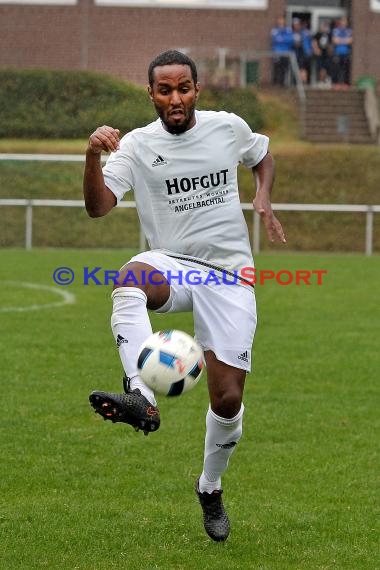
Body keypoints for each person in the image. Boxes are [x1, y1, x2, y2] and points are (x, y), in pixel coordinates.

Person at [83, 50, 286, 542]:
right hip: (172, 262)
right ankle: (141, 397)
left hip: (229, 275)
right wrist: (92, 156)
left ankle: (209, 487)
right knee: (129, 278)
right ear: (151, 94)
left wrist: (263, 194)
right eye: (164, 90)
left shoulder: (226, 127)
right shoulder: (135, 145)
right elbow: (98, 207)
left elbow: (262, 156)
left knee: (228, 399)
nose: (175, 98)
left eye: (183, 88)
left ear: (197, 89)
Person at [270, 16, 294, 86]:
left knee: (284, 68)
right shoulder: (274, 30)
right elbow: (275, 39)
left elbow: (290, 40)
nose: (281, 23)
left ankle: (282, 84)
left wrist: (282, 39)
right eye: (279, 22)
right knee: (276, 68)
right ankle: (275, 83)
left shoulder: (288, 30)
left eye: (282, 21)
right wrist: (284, 39)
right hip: (277, 53)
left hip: (286, 53)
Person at [331, 17, 353, 88]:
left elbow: (350, 41)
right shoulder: (336, 30)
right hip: (337, 53)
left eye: (345, 21)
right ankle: (336, 83)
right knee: (337, 69)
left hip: (346, 53)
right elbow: (334, 41)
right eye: (342, 21)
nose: (343, 23)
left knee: (345, 69)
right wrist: (345, 41)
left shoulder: (349, 31)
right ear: (340, 22)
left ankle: (345, 84)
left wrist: (340, 40)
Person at [292, 18, 313, 84]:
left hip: (305, 54)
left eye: (298, 25)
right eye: (295, 25)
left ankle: (304, 83)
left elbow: (311, 42)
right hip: (299, 54)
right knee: (300, 68)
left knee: (304, 69)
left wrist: (311, 50)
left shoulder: (305, 32)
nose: (296, 26)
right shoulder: (294, 33)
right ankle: (301, 83)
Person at [312, 21, 332, 86]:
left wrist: (330, 51)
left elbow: (331, 44)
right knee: (320, 68)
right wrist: (316, 49)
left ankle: (325, 80)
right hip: (320, 53)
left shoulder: (329, 35)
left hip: (326, 54)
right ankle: (320, 81)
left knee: (326, 67)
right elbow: (314, 42)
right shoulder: (318, 34)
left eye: (326, 27)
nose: (325, 29)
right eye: (324, 27)